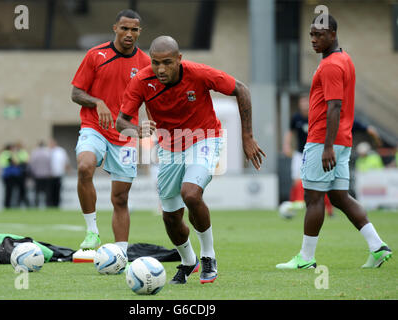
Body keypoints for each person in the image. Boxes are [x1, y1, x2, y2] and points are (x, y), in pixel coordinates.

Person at [116, 35, 265, 284]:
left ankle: (209, 256)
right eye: (155, 63)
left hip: (205, 139)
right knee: (170, 217)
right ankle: (188, 261)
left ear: (179, 60)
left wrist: (247, 136)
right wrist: (135, 128)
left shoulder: (199, 73)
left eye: (167, 62)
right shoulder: (141, 81)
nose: (161, 69)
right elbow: (122, 119)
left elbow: (241, 89)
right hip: (169, 148)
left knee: (191, 194)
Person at [276, 14, 392, 270]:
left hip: (323, 141)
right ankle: (377, 246)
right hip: (342, 140)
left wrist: (327, 146)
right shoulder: (344, 59)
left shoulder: (330, 65)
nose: (313, 40)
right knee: (339, 197)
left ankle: (306, 258)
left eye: (319, 34)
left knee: (314, 198)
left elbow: (335, 106)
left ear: (333, 34)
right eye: (311, 35)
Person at [70, 9, 151, 253]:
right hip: (94, 127)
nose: (129, 33)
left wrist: (148, 125)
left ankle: (121, 254)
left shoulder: (146, 63)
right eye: (124, 28)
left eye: (134, 29)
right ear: (115, 28)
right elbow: (76, 93)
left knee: (121, 198)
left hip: (125, 136)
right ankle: (92, 232)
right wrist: (97, 102)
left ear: (139, 32)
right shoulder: (96, 55)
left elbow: (152, 98)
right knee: (85, 166)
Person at [282, 94, 383, 217]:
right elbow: (290, 132)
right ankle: (297, 205)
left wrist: (376, 138)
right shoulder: (297, 118)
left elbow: (367, 129)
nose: (304, 105)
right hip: (301, 153)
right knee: (299, 181)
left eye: (306, 102)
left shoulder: (331, 117)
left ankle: (327, 208)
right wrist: (286, 145)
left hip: (321, 152)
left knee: (324, 183)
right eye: (301, 102)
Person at [29, 141, 52, 208]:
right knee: (47, 191)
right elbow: (49, 164)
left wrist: (32, 173)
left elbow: (32, 164)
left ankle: (36, 204)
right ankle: (47, 204)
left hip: (37, 175)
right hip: (46, 175)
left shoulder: (35, 153)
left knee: (37, 191)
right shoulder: (47, 153)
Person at [48, 138, 70, 208]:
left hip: (58, 174)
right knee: (50, 191)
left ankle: (56, 205)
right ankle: (50, 205)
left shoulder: (60, 151)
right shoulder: (47, 151)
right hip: (49, 175)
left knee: (57, 191)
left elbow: (66, 161)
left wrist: (67, 170)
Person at [0, 143, 20, 209]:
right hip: (9, 175)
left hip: (6, 174)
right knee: (9, 191)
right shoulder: (7, 154)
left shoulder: (3, 153)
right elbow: (13, 162)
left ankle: (7, 205)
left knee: (8, 191)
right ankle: (7, 205)